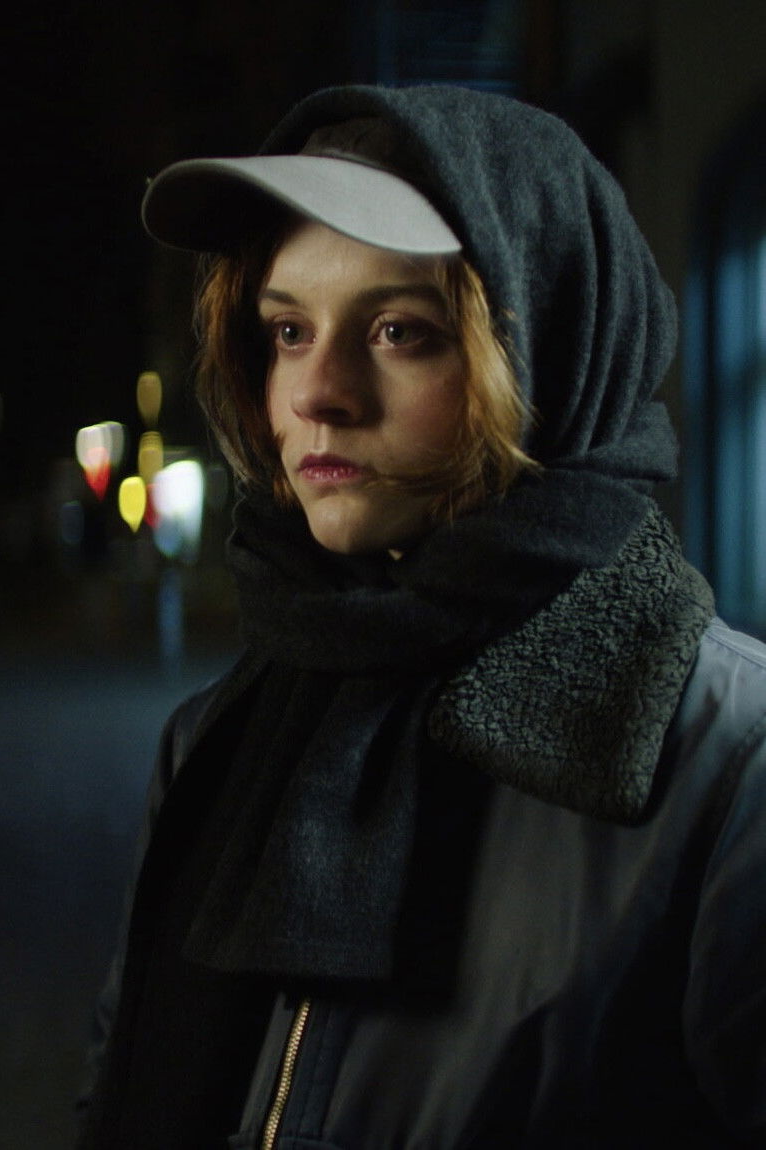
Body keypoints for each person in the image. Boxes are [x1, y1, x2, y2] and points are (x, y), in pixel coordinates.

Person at [76, 84, 766, 1148]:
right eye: (287, 330)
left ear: (553, 353)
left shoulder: (727, 761)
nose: (317, 392)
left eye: (399, 330)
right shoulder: (218, 736)